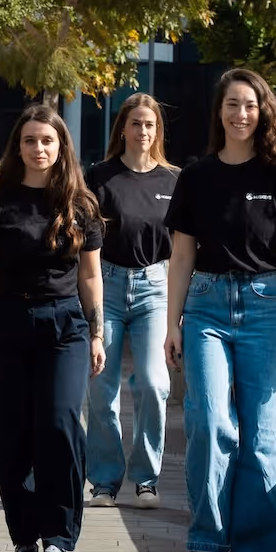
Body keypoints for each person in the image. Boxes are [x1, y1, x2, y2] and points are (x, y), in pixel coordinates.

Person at [163, 68, 276, 552]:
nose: (240, 114)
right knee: (210, 422)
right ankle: (206, 542)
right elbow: (182, 256)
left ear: (263, 112)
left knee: (262, 437)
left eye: (249, 105)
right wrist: (173, 324)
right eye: (231, 105)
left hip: (266, 306)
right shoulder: (196, 177)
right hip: (207, 307)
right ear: (219, 113)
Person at [0, 104, 105, 552]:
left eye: (47, 140)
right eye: (30, 140)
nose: (38, 148)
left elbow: (90, 276)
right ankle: (24, 533)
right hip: (5, 325)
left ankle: (59, 534)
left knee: (60, 425)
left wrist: (97, 333)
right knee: (9, 436)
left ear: (61, 146)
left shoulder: (81, 205)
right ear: (17, 147)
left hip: (64, 327)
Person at [85, 93, 177, 510]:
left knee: (154, 384)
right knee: (102, 389)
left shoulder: (173, 181)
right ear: (122, 127)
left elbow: (182, 249)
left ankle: (146, 479)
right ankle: (104, 481)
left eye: (150, 125)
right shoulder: (100, 177)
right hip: (107, 284)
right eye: (136, 124)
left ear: (158, 131)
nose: (143, 132)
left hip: (155, 288)